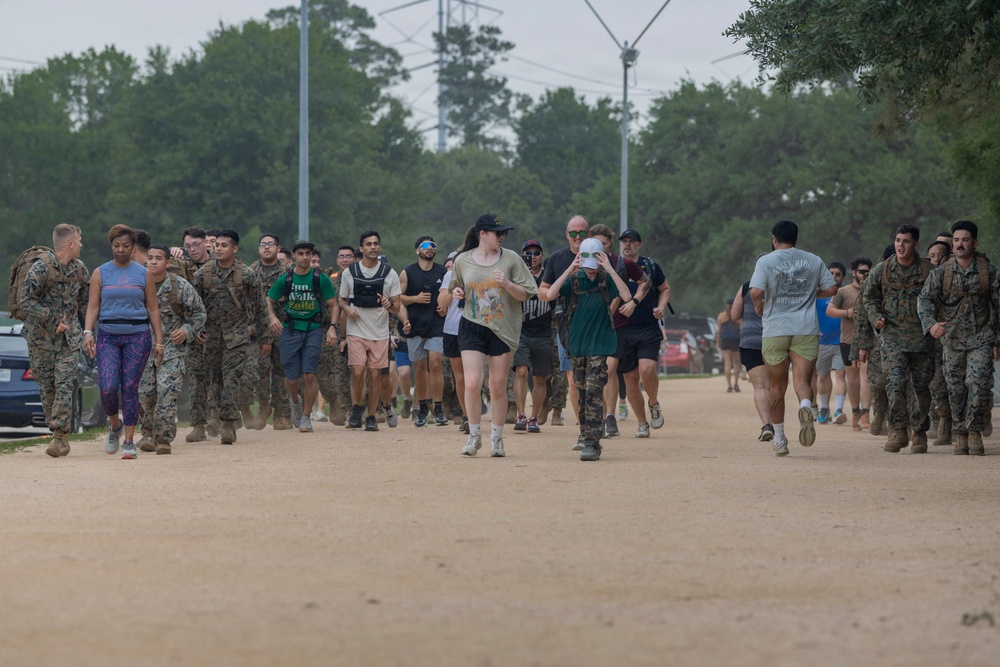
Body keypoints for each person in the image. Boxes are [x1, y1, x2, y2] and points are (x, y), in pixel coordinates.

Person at [449, 213, 538, 457]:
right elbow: (455, 286)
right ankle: (474, 435)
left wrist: (508, 284)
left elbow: (528, 293)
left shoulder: (511, 259)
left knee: (497, 386)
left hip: (502, 328)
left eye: (504, 233)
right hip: (472, 326)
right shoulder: (463, 260)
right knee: (472, 382)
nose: (502, 237)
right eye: (497, 233)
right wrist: (457, 292)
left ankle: (497, 438)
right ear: (482, 234)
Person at [750, 220, 838, 457]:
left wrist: (760, 306)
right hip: (806, 329)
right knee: (803, 383)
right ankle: (806, 406)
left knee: (777, 386)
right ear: (796, 239)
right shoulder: (813, 259)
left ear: (773, 239)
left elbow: (756, 291)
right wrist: (810, 295)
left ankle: (779, 438)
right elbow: (832, 290)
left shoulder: (765, 261)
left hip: (775, 329)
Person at [544, 238, 633, 461]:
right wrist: (569, 269)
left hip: (600, 344)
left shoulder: (606, 279)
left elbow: (627, 296)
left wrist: (611, 269)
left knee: (594, 391)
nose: (591, 272)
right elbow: (550, 294)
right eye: (588, 267)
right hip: (577, 345)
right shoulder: (574, 280)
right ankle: (586, 433)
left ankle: (593, 443)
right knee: (582, 392)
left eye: (595, 267)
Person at [918, 220, 1000, 456]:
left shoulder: (989, 272)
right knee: (955, 389)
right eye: (956, 240)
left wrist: (998, 339)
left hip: (981, 338)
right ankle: (960, 432)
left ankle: (974, 430)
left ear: (975, 242)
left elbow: (999, 306)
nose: (960, 244)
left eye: (965, 239)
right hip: (951, 340)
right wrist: (931, 324)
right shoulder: (942, 273)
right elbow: (924, 300)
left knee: (978, 384)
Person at [83, 225, 164, 459]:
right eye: (116, 246)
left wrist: (159, 341)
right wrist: (88, 332)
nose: (120, 250)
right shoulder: (100, 272)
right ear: (111, 246)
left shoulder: (143, 274)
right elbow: (93, 306)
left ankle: (129, 442)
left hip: (137, 335)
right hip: (107, 334)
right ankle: (115, 426)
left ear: (133, 248)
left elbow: (152, 308)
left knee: (129, 387)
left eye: (126, 246)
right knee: (108, 387)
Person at [191, 230, 271, 445]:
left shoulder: (247, 275)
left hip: (237, 338)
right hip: (209, 339)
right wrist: (194, 332)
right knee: (211, 382)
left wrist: (265, 338)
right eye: (216, 245)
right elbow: (192, 308)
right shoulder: (202, 275)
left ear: (234, 249)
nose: (218, 248)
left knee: (231, 381)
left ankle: (229, 424)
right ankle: (205, 423)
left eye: (224, 245)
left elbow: (262, 308)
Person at [17, 224, 90, 457]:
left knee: (64, 384)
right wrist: (51, 320)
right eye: (79, 241)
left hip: (70, 339)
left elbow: (86, 305)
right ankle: (55, 428)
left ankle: (60, 436)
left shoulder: (80, 269)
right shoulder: (41, 268)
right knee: (47, 387)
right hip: (41, 340)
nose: (81, 245)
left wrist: (90, 333)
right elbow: (25, 301)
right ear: (69, 243)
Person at [862, 225, 934, 453]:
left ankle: (919, 432)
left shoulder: (928, 271)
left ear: (916, 245)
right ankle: (898, 431)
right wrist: (876, 318)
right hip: (892, 338)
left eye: (906, 241)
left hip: (922, 340)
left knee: (921, 389)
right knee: (895, 384)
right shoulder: (882, 270)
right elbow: (869, 297)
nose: (900, 245)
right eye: (898, 240)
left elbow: (940, 299)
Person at [137, 244, 207, 454]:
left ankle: (164, 439)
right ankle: (149, 431)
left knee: (167, 390)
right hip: (142, 348)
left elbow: (199, 313)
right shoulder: (137, 285)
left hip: (171, 348)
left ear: (167, 262)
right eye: (150, 258)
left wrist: (187, 330)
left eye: (159, 258)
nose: (153, 261)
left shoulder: (180, 286)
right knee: (147, 394)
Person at [267, 240, 338, 433]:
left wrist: (332, 327)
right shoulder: (286, 278)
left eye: (308, 253)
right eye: (301, 253)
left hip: (313, 330)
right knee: (291, 378)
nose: (305, 257)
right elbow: (269, 299)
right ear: (294, 257)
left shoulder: (320, 278)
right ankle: (295, 402)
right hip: (289, 330)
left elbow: (333, 304)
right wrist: (272, 316)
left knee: (309, 374)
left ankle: (306, 417)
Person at [588, 224, 652, 437]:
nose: (600, 250)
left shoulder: (621, 264)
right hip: (592, 328)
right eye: (596, 245)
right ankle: (603, 417)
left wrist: (634, 302)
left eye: (604, 245)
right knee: (599, 373)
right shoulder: (582, 265)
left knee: (616, 370)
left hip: (618, 327)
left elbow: (646, 281)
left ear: (609, 245)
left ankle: (619, 418)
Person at [339, 230, 403, 432]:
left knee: (375, 375)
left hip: (379, 332)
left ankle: (372, 415)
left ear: (380, 247)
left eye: (376, 244)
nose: (373, 247)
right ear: (361, 248)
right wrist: (347, 308)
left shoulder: (389, 273)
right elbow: (340, 299)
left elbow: (397, 306)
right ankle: (357, 406)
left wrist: (388, 303)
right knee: (358, 371)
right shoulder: (350, 272)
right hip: (356, 329)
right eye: (368, 244)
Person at [616, 228, 670, 437]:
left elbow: (665, 289)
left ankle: (653, 403)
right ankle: (641, 423)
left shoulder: (650, 266)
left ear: (640, 244)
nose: (627, 245)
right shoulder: (615, 266)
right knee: (630, 378)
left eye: (632, 241)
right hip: (623, 329)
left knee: (647, 370)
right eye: (624, 241)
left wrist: (661, 307)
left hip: (647, 327)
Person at [539, 216, 591, 427]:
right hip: (567, 325)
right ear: (566, 234)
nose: (578, 237)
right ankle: (583, 427)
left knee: (596, 378)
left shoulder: (601, 258)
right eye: (573, 233)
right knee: (573, 378)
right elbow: (543, 292)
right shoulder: (557, 259)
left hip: (595, 324)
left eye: (582, 233)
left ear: (589, 234)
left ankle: (601, 420)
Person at [399, 236, 448, 427]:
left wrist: (445, 307)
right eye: (425, 246)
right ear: (417, 250)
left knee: (435, 364)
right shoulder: (407, 272)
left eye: (433, 246)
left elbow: (450, 293)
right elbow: (398, 298)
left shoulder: (443, 272)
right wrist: (416, 299)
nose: (430, 249)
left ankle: (438, 408)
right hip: (415, 325)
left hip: (436, 324)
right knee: (419, 369)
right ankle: (421, 407)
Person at [249, 232, 292, 430]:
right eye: (263, 244)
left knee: (282, 370)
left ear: (278, 248)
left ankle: (282, 413)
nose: (267, 247)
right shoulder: (251, 271)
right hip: (259, 330)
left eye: (271, 244)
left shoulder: (289, 271)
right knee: (259, 370)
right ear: (258, 249)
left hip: (283, 326)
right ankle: (264, 407)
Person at [512, 239, 553, 433]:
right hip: (522, 331)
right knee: (521, 371)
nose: (533, 257)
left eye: (536, 253)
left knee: (540, 378)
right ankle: (521, 414)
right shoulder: (518, 276)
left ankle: (534, 417)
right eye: (528, 253)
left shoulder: (549, 276)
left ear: (542, 256)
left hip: (544, 332)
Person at [827, 258, 873, 431]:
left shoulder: (873, 290)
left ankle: (866, 413)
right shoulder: (844, 292)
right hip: (848, 341)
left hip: (868, 342)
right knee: (852, 380)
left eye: (867, 271)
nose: (864, 275)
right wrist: (847, 312)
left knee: (866, 377)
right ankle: (855, 412)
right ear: (853, 273)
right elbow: (829, 310)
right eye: (861, 271)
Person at [731, 254, 772, 442]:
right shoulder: (781, 286)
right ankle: (778, 426)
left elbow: (734, 315)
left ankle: (767, 424)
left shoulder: (747, 286)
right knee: (774, 386)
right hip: (775, 339)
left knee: (760, 387)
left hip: (750, 341)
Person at [317, 245, 356, 425]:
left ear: (354, 259)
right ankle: (334, 400)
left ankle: (352, 410)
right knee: (323, 374)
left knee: (353, 373)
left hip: (357, 331)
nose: (345, 260)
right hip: (331, 332)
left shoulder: (360, 280)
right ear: (337, 260)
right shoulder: (329, 283)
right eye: (342, 257)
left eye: (349, 256)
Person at [814, 263, 847, 424]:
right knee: (822, 375)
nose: (834, 276)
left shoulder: (845, 294)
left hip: (841, 341)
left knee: (841, 374)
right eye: (831, 273)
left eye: (838, 274)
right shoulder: (818, 294)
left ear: (843, 277)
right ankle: (824, 408)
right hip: (822, 342)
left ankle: (839, 409)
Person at [718, 298, 741, 393]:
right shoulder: (738, 316)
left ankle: (729, 386)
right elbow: (741, 328)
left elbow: (719, 331)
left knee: (727, 363)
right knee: (736, 363)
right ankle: (736, 383)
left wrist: (717, 342)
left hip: (725, 340)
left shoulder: (721, 316)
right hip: (736, 340)